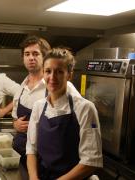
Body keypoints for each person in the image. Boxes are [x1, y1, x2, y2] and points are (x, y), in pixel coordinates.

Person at [26, 48, 103, 180]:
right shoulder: (39, 107)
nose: (52, 77)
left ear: (69, 75)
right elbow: (31, 150)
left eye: (59, 72)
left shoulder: (85, 108)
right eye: (48, 71)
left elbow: (90, 162)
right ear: (43, 73)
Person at [11, 36, 81, 179]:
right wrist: (16, 125)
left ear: (44, 57)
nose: (31, 58)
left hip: (44, 161)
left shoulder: (60, 85)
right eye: (27, 54)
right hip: (19, 156)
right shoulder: (21, 87)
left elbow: (77, 118)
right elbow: (14, 118)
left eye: (36, 54)